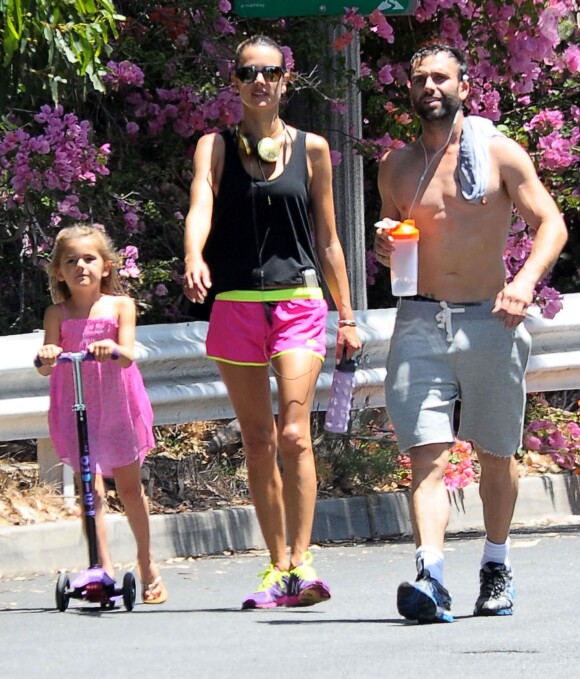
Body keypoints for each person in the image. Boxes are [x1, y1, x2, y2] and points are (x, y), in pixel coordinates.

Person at [374, 43, 567, 623]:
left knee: (496, 454)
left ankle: (495, 563)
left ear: (463, 85)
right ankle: (430, 576)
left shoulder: (499, 153)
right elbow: (396, 240)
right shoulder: (395, 166)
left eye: (441, 77)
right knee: (425, 456)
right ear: (408, 90)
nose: (430, 86)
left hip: (491, 318)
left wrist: (525, 282)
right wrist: (385, 245)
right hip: (418, 321)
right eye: (419, 78)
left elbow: (550, 222)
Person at [183, 35, 361, 609]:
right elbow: (201, 206)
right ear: (234, 81)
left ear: (286, 80)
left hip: (299, 302)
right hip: (235, 303)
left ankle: (303, 562)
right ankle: (275, 565)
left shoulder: (311, 149)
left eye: (271, 71)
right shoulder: (213, 147)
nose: (260, 80)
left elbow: (328, 238)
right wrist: (193, 256)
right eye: (248, 71)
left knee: (293, 434)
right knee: (258, 442)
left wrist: (348, 315)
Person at [36, 224, 167, 605]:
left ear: (106, 266)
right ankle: (101, 567)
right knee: (89, 489)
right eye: (71, 260)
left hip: (116, 404)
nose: (81, 266)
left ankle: (146, 563)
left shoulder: (120, 307)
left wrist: (112, 346)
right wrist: (47, 355)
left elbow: (128, 353)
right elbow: (47, 362)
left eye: (89, 259)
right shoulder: (56, 314)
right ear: (59, 271)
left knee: (128, 488)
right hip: (77, 404)